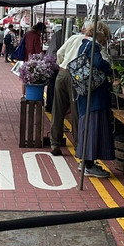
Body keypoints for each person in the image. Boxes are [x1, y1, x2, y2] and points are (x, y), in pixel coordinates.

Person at [74, 21, 114, 177]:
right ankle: (89, 164)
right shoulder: (92, 46)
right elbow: (97, 63)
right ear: (99, 34)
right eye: (105, 36)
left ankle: (85, 162)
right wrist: (109, 69)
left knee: (87, 126)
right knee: (92, 127)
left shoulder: (83, 45)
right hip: (94, 95)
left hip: (85, 92)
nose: (105, 40)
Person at [49, 26, 88, 156]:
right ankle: (78, 146)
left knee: (57, 110)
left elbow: (59, 53)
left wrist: (62, 65)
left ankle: (55, 143)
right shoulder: (92, 42)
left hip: (62, 74)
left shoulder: (73, 37)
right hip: (75, 76)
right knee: (76, 111)